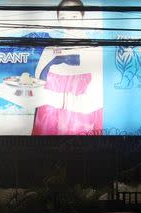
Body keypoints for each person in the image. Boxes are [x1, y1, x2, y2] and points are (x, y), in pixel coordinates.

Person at [32, 0, 104, 135]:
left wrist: (52, 99)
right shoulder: (49, 50)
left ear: (83, 17)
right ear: (59, 20)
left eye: (74, 16)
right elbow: (38, 82)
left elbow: (96, 99)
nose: (68, 22)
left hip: (82, 122)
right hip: (49, 119)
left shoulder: (96, 51)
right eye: (64, 17)